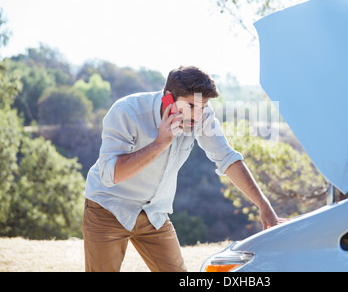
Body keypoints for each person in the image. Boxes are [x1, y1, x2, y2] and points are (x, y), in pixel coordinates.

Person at [83, 65, 281, 272]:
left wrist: (263, 204)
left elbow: (225, 156)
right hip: (108, 208)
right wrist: (160, 143)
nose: (197, 115)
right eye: (190, 106)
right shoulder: (127, 112)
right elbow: (110, 174)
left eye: (202, 106)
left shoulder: (202, 114)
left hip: (154, 213)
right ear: (168, 97)